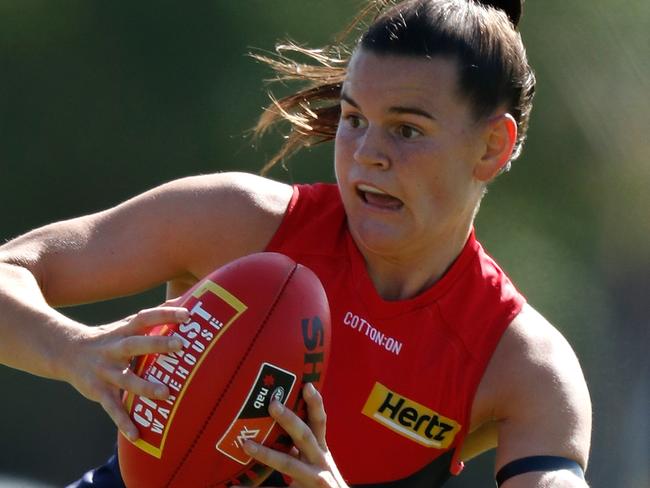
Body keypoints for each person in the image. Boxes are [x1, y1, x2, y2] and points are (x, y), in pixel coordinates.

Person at [0, 0, 592, 486]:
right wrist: (69, 347)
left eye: (407, 130)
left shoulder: (523, 368)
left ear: (491, 147)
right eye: (355, 119)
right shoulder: (236, 221)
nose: (366, 155)